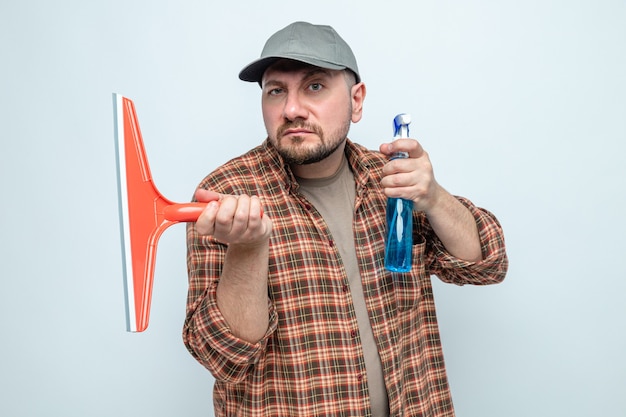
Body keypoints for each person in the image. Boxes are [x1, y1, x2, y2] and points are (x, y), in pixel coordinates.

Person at [183, 21, 508, 417]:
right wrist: (247, 248)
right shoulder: (227, 194)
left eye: (314, 86)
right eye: (275, 91)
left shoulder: (392, 178)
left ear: (357, 100)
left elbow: (486, 265)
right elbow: (223, 357)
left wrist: (435, 197)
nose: (291, 109)